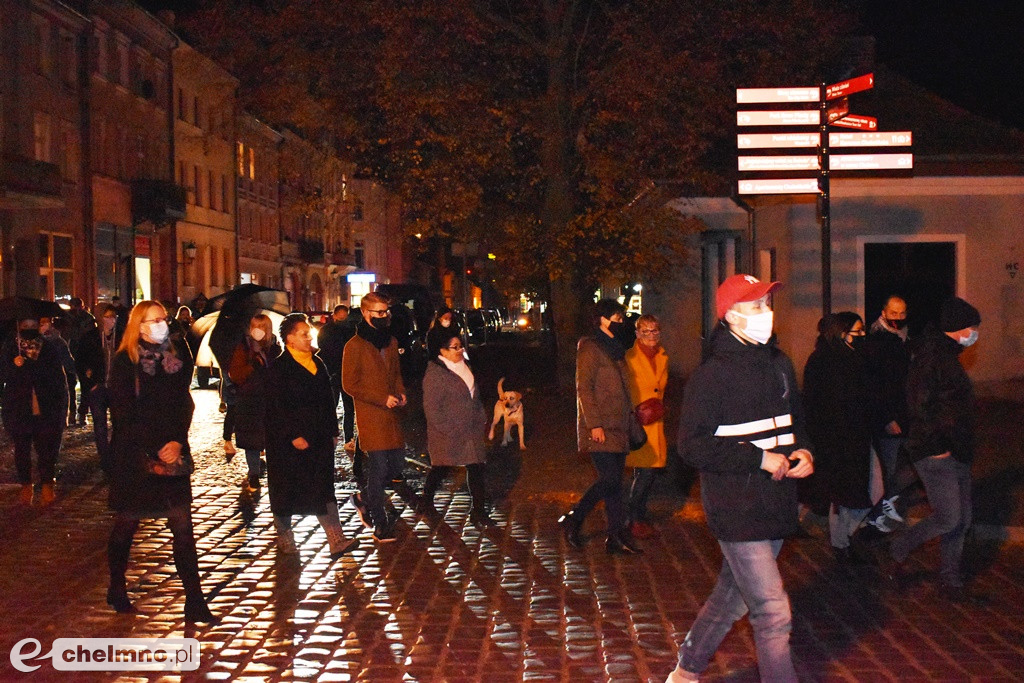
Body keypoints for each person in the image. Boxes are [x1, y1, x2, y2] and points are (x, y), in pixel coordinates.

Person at [666, 274, 813, 683]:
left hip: (777, 501)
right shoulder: (711, 375)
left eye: (768, 304)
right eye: (755, 307)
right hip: (736, 506)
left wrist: (804, 451)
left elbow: (797, 422)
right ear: (730, 316)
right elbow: (691, 445)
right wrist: (758, 458)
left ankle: (685, 670)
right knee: (773, 611)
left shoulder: (780, 364)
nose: (766, 313)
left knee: (731, 598)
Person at [105, 300, 215, 622]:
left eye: (163, 319)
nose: (161, 324)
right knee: (127, 523)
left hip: (172, 454)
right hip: (135, 457)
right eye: (154, 320)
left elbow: (185, 403)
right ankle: (116, 585)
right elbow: (124, 413)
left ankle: (195, 600)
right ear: (139, 325)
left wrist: (177, 441)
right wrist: (156, 446)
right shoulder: (126, 361)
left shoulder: (178, 358)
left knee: (182, 527)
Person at [884, 297, 983, 603]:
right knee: (949, 517)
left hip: (956, 448)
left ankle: (950, 578)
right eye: (972, 327)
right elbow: (921, 406)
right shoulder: (932, 357)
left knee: (962, 519)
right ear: (958, 328)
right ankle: (897, 550)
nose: (975, 333)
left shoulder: (948, 354)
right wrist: (937, 447)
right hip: (935, 451)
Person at [265, 313, 358, 559]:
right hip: (288, 445)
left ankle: (336, 538)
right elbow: (276, 406)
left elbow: (328, 400)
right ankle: (285, 537)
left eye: (309, 333)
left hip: (318, 439)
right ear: (290, 339)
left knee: (323, 488)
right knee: (286, 491)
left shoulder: (318, 363)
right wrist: (293, 434)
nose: (309, 337)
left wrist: (333, 430)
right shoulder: (279, 367)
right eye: (303, 334)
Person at [558, 299, 642, 555]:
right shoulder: (591, 348)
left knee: (615, 485)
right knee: (609, 479)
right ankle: (575, 517)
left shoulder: (616, 349)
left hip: (619, 425)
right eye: (617, 318)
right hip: (600, 427)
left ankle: (615, 536)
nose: (622, 322)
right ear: (603, 320)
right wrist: (594, 424)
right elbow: (584, 388)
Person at [803, 312, 877, 566]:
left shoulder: (855, 358)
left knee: (872, 488)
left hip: (859, 437)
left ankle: (846, 537)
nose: (863, 337)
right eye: (858, 332)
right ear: (843, 333)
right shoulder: (823, 361)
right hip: (837, 442)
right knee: (843, 496)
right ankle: (842, 543)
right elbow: (816, 404)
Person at [342, 292, 409, 543]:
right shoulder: (355, 346)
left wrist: (401, 393)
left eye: (385, 312)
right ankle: (380, 523)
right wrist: (381, 398)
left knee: (396, 467)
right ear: (365, 313)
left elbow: (396, 373)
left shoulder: (390, 341)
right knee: (379, 470)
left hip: (392, 415)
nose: (384, 316)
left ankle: (363, 498)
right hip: (371, 415)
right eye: (378, 312)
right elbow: (350, 384)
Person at [419, 329, 495, 528]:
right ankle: (426, 500)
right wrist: (448, 429)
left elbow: (475, 395)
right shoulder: (435, 374)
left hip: (471, 429)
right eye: (454, 347)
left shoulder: (464, 365)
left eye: (461, 346)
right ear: (441, 351)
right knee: (441, 468)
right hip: (448, 432)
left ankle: (478, 512)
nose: (460, 350)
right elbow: (432, 408)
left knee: (477, 467)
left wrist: (481, 417)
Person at [1, 317, 69, 506]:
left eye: (32, 326)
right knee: (22, 449)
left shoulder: (48, 348)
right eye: (25, 326)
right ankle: (26, 486)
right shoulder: (10, 348)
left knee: (45, 449)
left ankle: (47, 485)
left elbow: (57, 378)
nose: (29, 329)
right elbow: (4, 375)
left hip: (44, 407)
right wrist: (14, 365)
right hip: (19, 408)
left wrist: (62, 406)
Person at [863, 295, 911, 527]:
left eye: (902, 313)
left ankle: (887, 501)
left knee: (894, 467)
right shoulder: (876, 341)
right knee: (884, 468)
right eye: (894, 313)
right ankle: (875, 513)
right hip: (885, 418)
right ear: (884, 312)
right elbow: (877, 386)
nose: (898, 318)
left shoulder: (902, 336)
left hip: (901, 413)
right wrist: (887, 418)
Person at [623, 314, 669, 539]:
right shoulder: (629, 358)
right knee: (645, 472)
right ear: (637, 333)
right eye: (646, 331)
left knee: (648, 472)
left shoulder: (662, 356)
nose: (651, 335)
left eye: (655, 331)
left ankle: (638, 513)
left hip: (655, 421)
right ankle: (632, 517)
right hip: (638, 422)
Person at [227, 314, 281, 491]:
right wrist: (252, 364)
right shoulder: (242, 347)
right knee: (252, 440)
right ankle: (254, 474)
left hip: (270, 400)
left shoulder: (274, 348)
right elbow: (236, 375)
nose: (258, 330)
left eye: (262, 326)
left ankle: (275, 475)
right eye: (255, 326)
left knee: (272, 437)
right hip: (249, 400)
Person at [77, 305, 122, 468]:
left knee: (119, 423)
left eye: (114, 317)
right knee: (100, 425)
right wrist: (91, 384)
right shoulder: (90, 338)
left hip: (117, 388)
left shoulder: (121, 337)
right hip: (99, 387)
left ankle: (116, 454)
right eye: (108, 317)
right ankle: (105, 458)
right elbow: (80, 363)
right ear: (100, 318)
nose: (111, 320)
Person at [316, 304, 358, 445]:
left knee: (334, 407)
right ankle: (348, 438)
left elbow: (322, 349)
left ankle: (330, 436)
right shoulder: (351, 331)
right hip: (342, 373)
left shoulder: (326, 330)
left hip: (334, 373)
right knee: (347, 408)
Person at [39, 315, 78, 427]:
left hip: (56, 380)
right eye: (41, 323)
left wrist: (75, 371)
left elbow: (68, 361)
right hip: (40, 383)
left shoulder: (58, 342)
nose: (43, 325)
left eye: (45, 322)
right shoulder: (34, 342)